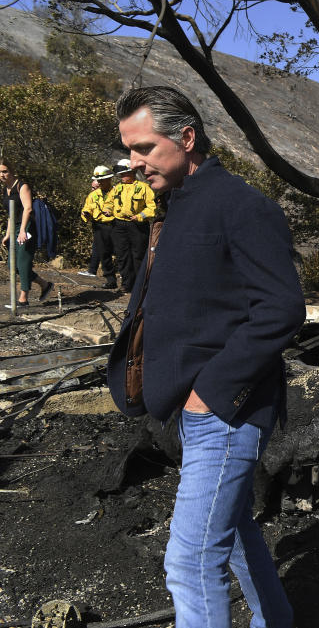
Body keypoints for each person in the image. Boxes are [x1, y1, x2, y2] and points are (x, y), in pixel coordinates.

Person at [105, 86, 303, 628]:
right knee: (236, 533)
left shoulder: (240, 205)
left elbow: (282, 309)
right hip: (198, 414)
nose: (134, 161)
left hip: (225, 412)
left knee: (190, 562)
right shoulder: (179, 205)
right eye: (130, 149)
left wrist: (210, 394)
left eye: (145, 147)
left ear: (187, 138)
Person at [0, 158, 54, 308]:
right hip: (15, 227)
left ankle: (23, 299)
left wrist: (23, 230)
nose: (2, 175)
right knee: (13, 265)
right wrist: (8, 234)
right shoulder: (6, 189)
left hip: (27, 226)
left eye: (5, 171)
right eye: (0, 172)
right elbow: (11, 214)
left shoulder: (22, 186)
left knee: (23, 263)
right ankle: (45, 284)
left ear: (11, 170)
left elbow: (28, 209)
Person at [108, 158, 156, 293]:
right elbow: (109, 203)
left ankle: (141, 285)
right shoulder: (116, 189)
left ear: (132, 172)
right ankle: (126, 284)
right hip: (119, 225)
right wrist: (107, 210)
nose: (121, 177)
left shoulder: (143, 188)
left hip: (137, 226)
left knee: (138, 255)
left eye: (124, 174)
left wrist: (140, 216)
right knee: (122, 255)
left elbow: (151, 208)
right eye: (120, 175)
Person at [79, 165, 118, 288]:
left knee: (121, 253)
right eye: (98, 180)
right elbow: (87, 208)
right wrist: (86, 214)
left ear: (109, 179)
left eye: (102, 180)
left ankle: (128, 280)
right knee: (104, 254)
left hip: (115, 225)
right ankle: (110, 280)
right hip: (99, 226)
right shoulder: (93, 195)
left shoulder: (118, 192)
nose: (100, 182)